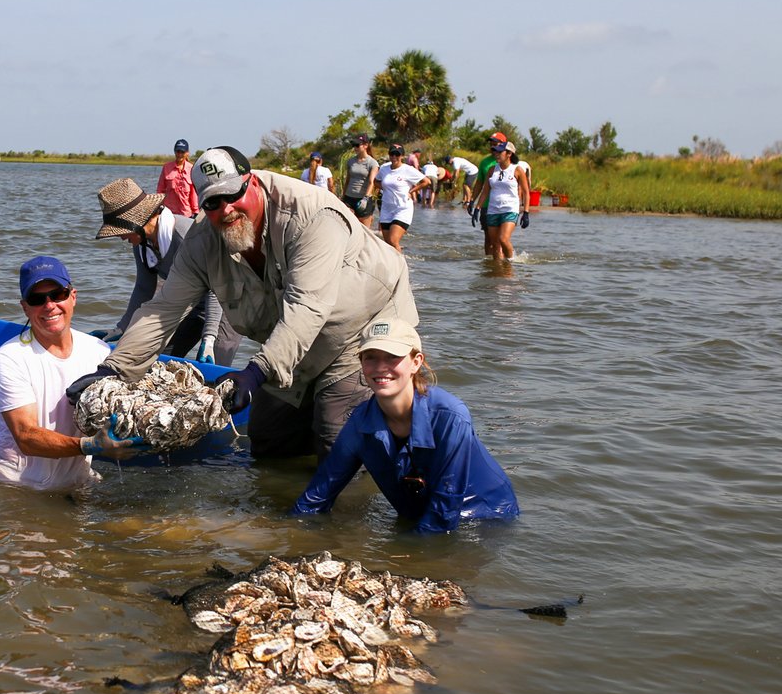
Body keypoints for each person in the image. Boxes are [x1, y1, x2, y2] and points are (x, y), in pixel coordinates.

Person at [67, 146, 420, 462]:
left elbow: (307, 307)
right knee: (267, 441)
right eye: (212, 203)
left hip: (361, 331)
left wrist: (254, 372)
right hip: (294, 338)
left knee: (335, 442)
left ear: (252, 183)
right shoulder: (202, 240)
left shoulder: (311, 215)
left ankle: (343, 526)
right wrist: (112, 371)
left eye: (232, 194)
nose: (226, 209)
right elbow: (163, 309)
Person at [291, 315, 519, 533]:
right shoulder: (359, 422)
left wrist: (405, 556)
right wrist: (283, 534)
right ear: (361, 363)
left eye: (392, 356)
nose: (381, 367)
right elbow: (317, 496)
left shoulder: (450, 416)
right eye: (371, 357)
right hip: (422, 516)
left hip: (486, 518)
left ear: (415, 362)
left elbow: (444, 510)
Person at [0, 256, 149, 491]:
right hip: (16, 484)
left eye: (58, 294)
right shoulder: (11, 358)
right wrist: (91, 446)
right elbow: (26, 436)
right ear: (25, 307)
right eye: (37, 299)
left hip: (78, 480)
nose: (49, 306)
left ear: (73, 297)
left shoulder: (98, 351)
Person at [90, 178, 240, 365]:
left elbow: (215, 290)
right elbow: (143, 289)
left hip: (228, 301)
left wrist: (209, 337)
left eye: (120, 230)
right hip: (191, 302)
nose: (120, 237)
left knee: (216, 362)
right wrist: (121, 328)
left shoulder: (186, 235)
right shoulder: (142, 244)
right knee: (162, 359)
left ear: (135, 221)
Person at [471, 140, 531, 261]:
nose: (496, 154)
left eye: (499, 152)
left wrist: (526, 212)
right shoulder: (492, 170)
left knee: (503, 239)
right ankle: (498, 272)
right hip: (493, 210)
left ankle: (511, 263)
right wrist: (477, 208)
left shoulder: (517, 170)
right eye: (495, 152)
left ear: (509, 154)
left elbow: (526, 192)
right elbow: (485, 191)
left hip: (510, 210)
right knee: (495, 245)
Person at [374, 144, 430, 252]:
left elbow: (426, 181)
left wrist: (411, 191)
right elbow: (376, 181)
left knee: (393, 241)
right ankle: (391, 265)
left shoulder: (408, 170)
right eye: (392, 154)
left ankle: (401, 266)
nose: (394, 157)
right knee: (387, 245)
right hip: (386, 209)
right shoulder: (384, 168)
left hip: (402, 209)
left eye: (397, 154)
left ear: (402, 156)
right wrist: (384, 188)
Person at [468, 131, 508, 256]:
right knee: (488, 238)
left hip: (504, 205)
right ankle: (491, 264)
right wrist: (472, 201)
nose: (492, 147)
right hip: (487, 205)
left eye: (495, 144)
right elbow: (479, 183)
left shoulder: (508, 162)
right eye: (491, 144)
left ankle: (504, 264)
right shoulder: (485, 162)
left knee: (502, 238)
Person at [340, 133, 380, 226]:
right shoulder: (351, 161)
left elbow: (371, 182)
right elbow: (347, 181)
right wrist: (343, 196)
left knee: (365, 230)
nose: (355, 148)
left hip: (363, 199)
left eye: (357, 145)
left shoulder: (372, 163)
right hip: (349, 198)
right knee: (348, 226)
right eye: (354, 145)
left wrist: (365, 198)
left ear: (366, 145)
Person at [156, 138, 198, 217]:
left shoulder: (192, 169)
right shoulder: (166, 167)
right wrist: (159, 206)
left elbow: (194, 193)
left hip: (186, 213)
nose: (179, 154)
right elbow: (160, 189)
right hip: (168, 213)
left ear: (187, 153)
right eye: (178, 151)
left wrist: (195, 211)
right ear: (175, 152)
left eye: (182, 152)